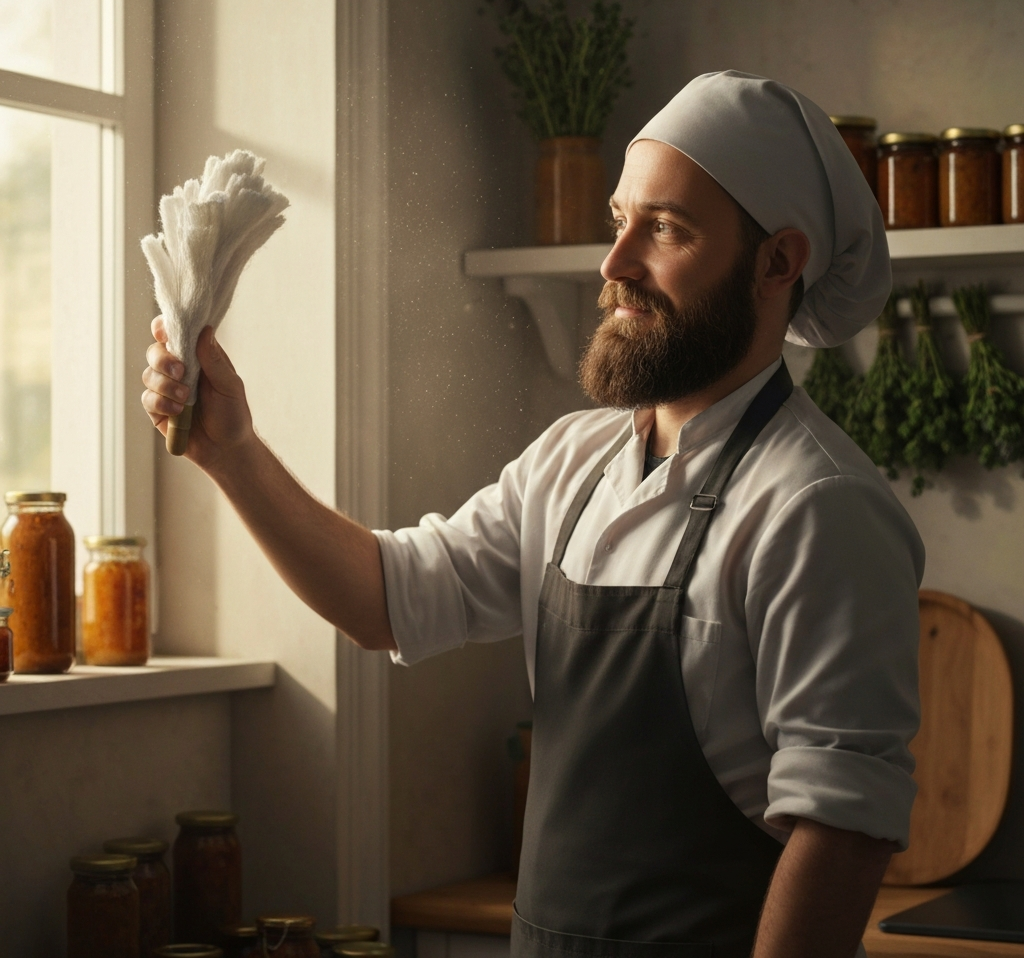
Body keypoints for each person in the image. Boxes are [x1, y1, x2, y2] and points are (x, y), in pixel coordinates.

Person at [142, 72, 923, 958]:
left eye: (665, 229)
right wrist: (230, 453)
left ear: (779, 261)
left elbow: (843, 837)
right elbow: (385, 597)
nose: (615, 262)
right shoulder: (571, 463)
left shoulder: (819, 508)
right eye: (618, 219)